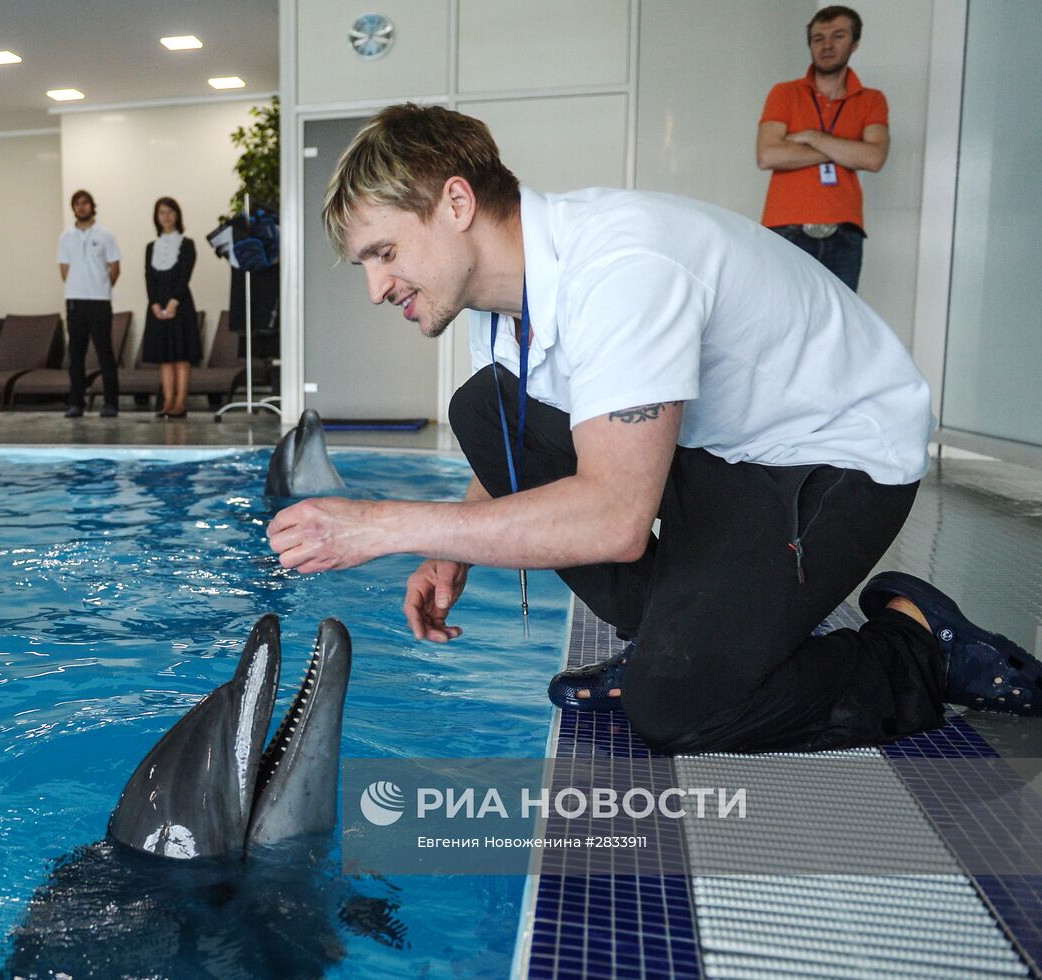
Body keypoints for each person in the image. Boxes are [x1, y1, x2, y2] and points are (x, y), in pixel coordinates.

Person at [266, 103, 1040, 756]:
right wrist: (449, 544)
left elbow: (614, 517)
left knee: (676, 708)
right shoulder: (504, 305)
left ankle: (919, 649)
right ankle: (681, 637)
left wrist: (378, 526)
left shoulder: (622, 266)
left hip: (838, 456)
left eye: (385, 252)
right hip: (727, 455)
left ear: (457, 204)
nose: (375, 288)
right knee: (486, 408)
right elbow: (536, 445)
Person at [756, 5, 888, 292]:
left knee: (839, 323)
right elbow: (768, 155)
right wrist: (848, 152)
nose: (827, 45)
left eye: (837, 36)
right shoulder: (785, 93)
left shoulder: (871, 100)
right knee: (784, 317)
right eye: (818, 38)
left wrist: (812, 136)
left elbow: (874, 157)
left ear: (855, 44)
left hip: (845, 234)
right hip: (786, 229)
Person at [57, 189, 121, 418]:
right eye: (77, 204)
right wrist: (79, 286)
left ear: (92, 206)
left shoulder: (106, 234)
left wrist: (100, 286)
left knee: (105, 353)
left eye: (85, 203)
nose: (81, 207)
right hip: (75, 301)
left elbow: (115, 267)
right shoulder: (66, 236)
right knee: (76, 354)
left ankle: (111, 403)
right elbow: (64, 269)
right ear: (73, 208)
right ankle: (76, 403)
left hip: (100, 301)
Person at [142, 197, 200, 418]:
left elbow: (184, 276)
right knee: (164, 357)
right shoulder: (151, 247)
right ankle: (167, 401)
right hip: (157, 305)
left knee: (181, 357)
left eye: (170, 212)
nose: (166, 216)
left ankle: (180, 402)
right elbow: (148, 277)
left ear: (177, 215)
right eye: (161, 213)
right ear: (156, 218)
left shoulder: (187, 244)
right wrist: (154, 304)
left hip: (180, 304)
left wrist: (173, 302)